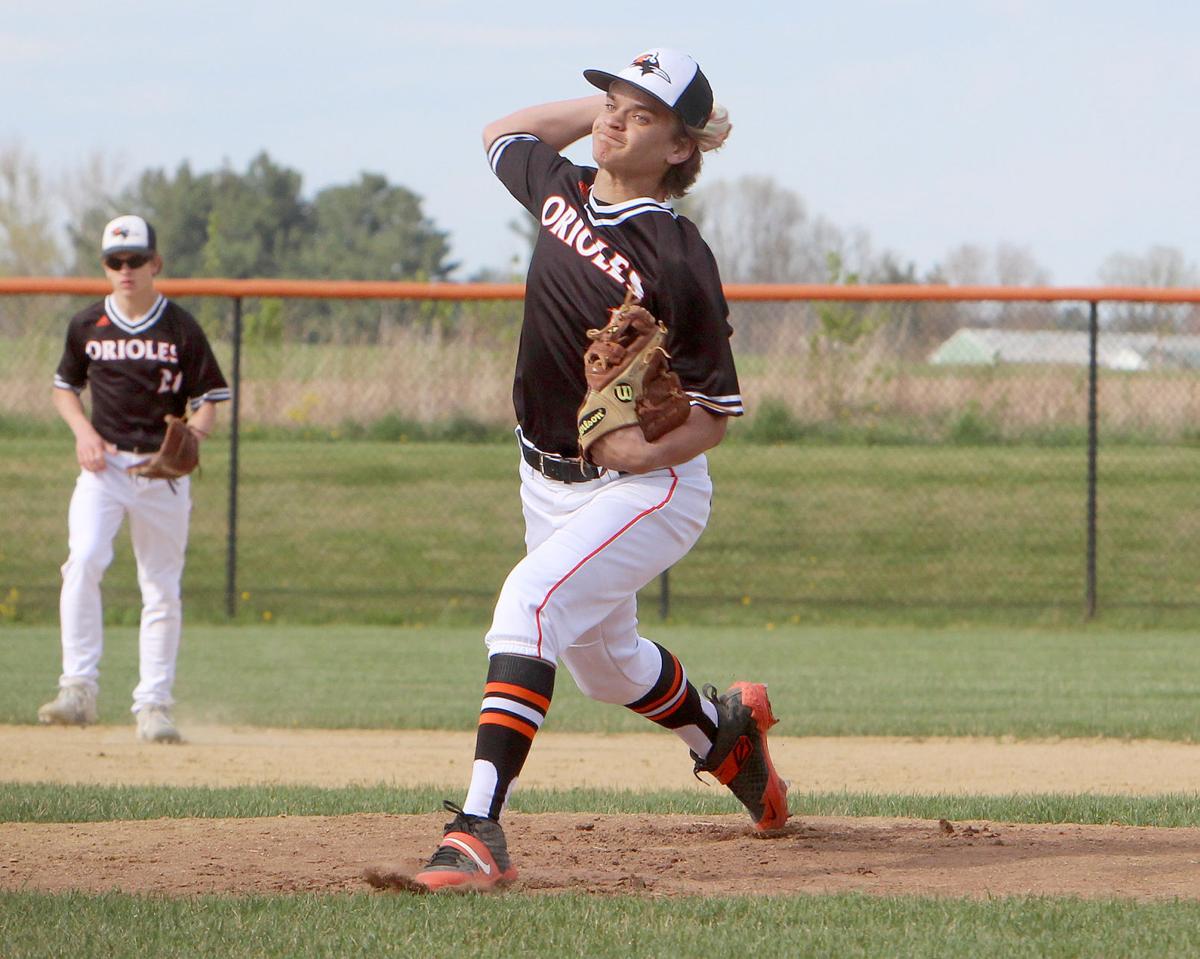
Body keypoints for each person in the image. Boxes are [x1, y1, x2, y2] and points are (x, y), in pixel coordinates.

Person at [367, 47, 789, 894]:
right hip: (546, 475)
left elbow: (716, 412)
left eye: (641, 113)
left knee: (528, 602)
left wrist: (645, 451)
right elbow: (501, 133)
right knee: (606, 663)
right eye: (612, 102)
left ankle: (478, 827)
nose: (613, 118)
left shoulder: (677, 256)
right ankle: (725, 734)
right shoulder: (559, 187)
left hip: (648, 487)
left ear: (680, 148)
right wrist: (605, 108)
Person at [37, 214, 230, 743]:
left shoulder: (180, 327)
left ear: (155, 263)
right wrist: (81, 431)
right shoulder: (86, 325)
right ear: (105, 266)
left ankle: (153, 705)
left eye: (135, 260)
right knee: (84, 560)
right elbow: (64, 388)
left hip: (162, 473)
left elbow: (211, 398)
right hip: (104, 468)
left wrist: (194, 437)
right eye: (114, 261)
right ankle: (78, 689)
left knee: (161, 588)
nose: (125, 269)